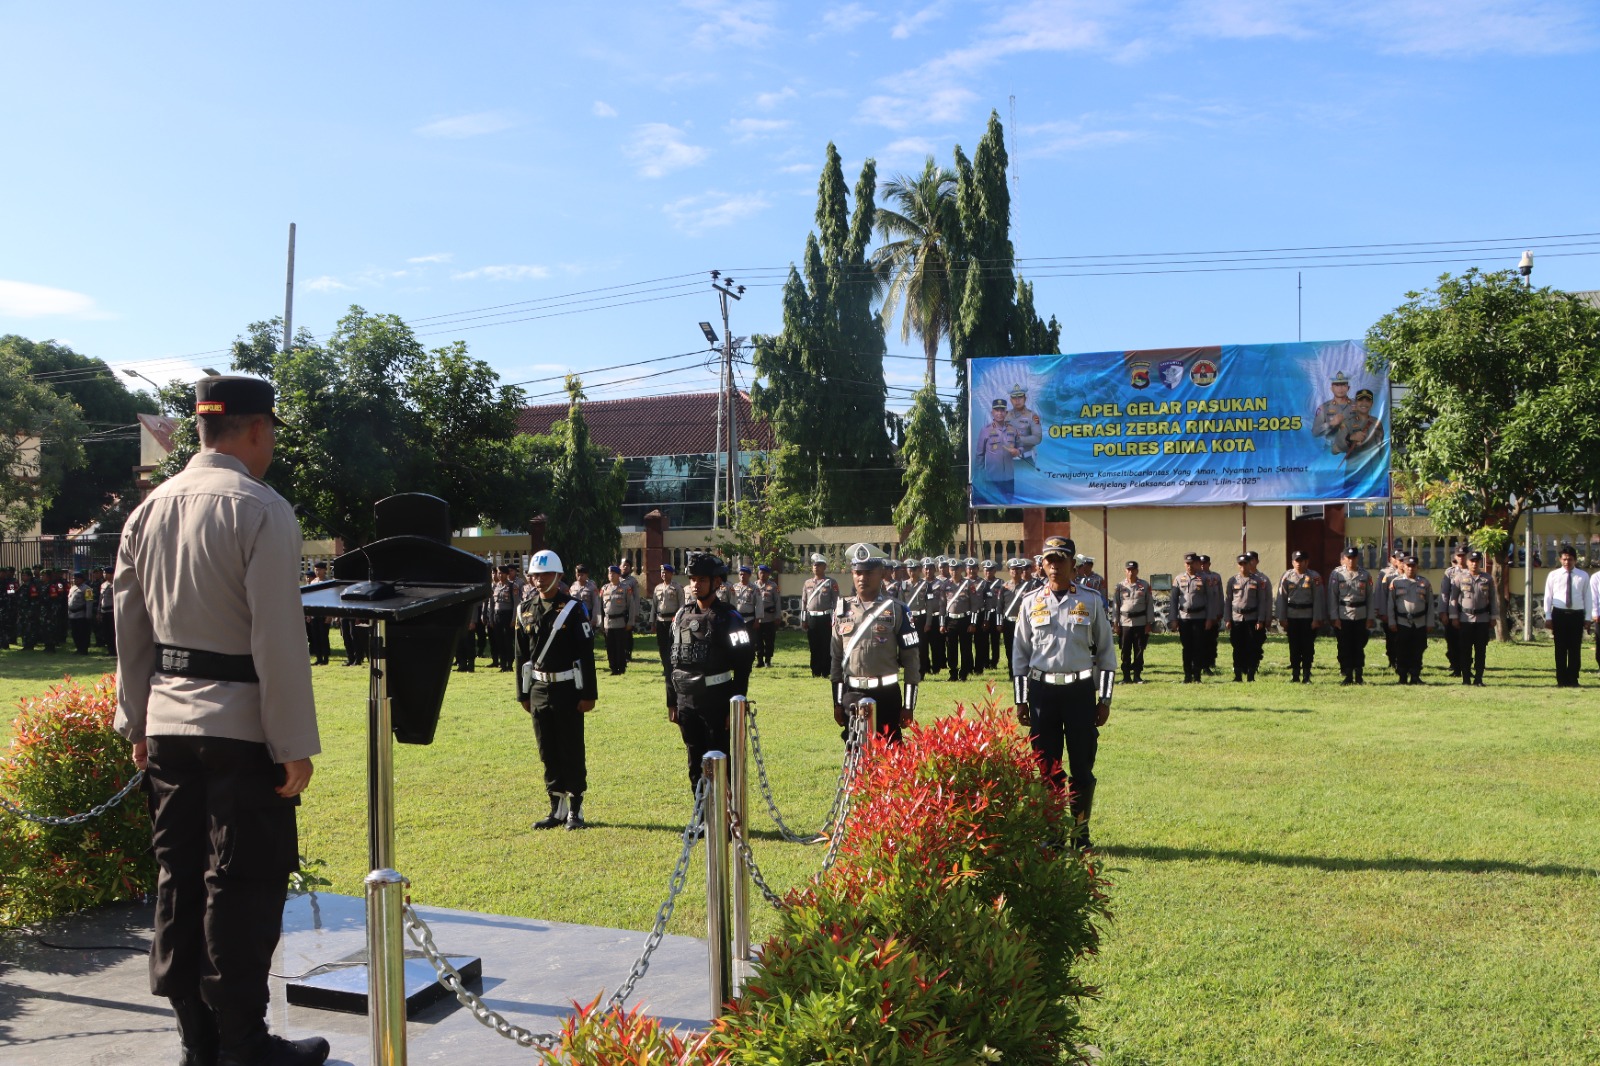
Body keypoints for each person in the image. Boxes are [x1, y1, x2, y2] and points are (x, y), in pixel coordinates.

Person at [113, 376, 328, 1066]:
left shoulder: (147, 510)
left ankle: (197, 1043)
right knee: (242, 882)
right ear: (257, 429)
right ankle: (243, 1044)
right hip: (238, 728)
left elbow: (130, 628)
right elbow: (278, 638)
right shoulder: (261, 508)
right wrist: (292, 742)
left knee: (178, 878)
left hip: (169, 722)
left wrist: (137, 721)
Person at [1011, 535, 1115, 852]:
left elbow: (1107, 654)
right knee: (1048, 768)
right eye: (1049, 560)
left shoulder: (1091, 601)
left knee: (1082, 768)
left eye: (1061, 560)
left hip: (1079, 693)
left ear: (1073, 564)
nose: (1055, 566)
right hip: (1042, 693)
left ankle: (1080, 835)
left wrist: (1104, 700)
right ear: (1042, 565)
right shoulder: (1030, 602)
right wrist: (1021, 700)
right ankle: (1053, 835)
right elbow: (1019, 655)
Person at [515, 550, 598, 831]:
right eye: (535, 575)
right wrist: (523, 694)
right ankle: (556, 807)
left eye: (546, 574)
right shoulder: (525, 609)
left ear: (559, 576)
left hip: (567, 688)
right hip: (538, 688)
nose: (539, 580)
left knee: (570, 748)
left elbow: (586, 654)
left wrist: (588, 694)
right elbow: (520, 655)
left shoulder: (574, 608)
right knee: (547, 749)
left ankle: (575, 808)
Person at [665, 552, 754, 803]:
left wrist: (735, 706)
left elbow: (743, 665)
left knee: (719, 761)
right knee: (695, 763)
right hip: (687, 701)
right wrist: (672, 702)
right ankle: (702, 814)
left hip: (717, 701)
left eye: (702, 579)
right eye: (693, 579)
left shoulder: (730, 618)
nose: (696, 584)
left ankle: (725, 815)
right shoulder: (681, 616)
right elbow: (671, 661)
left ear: (717, 582)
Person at [830, 542, 921, 744]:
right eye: (858, 572)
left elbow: (911, 661)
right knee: (855, 751)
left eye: (869, 572)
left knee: (890, 751)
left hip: (886, 695)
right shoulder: (841, 610)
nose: (863, 578)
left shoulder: (897, 609)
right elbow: (836, 660)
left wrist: (908, 705)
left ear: (881, 573)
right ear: (853, 574)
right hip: (852, 693)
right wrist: (837, 702)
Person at [1327, 547, 1377, 685]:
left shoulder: (1365, 575)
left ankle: (1359, 675)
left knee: (1359, 646)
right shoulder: (1337, 574)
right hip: (1344, 615)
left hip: (1360, 615)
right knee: (1346, 646)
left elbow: (1370, 597)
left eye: (1353, 558)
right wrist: (1334, 617)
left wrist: (1370, 617)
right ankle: (1348, 675)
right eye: (1348, 558)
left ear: (1357, 558)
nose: (1351, 560)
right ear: (1344, 559)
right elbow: (1332, 597)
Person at [1543, 545, 1590, 687]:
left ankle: (1573, 679)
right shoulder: (1553, 575)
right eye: (1564, 559)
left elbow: (1587, 597)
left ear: (1575, 560)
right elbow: (1548, 596)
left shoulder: (1583, 576)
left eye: (1569, 559)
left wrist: (1587, 618)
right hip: (1559, 614)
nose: (1567, 562)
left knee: (1575, 648)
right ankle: (1561, 679)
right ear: (1560, 559)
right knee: (1560, 648)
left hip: (1576, 615)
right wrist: (1548, 616)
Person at [1275, 551, 1325, 683]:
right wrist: (1282, 618)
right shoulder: (1286, 576)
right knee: (1294, 647)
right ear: (1292, 562)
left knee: (1308, 647)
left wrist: (1316, 619)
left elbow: (1318, 599)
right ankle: (1295, 674)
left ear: (1306, 562)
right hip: (1292, 617)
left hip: (1308, 618)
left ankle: (1307, 675)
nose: (1298, 563)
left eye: (1301, 560)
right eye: (1296, 561)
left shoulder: (1314, 577)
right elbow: (1281, 598)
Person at [1450, 551, 1498, 686]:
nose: (1474, 564)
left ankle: (1478, 678)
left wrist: (1494, 617)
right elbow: (1453, 598)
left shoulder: (1487, 578)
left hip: (1482, 619)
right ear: (1467, 562)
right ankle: (1466, 678)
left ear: (1480, 562)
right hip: (1465, 619)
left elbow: (1493, 599)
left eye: (1477, 561)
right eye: (1472, 561)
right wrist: (1454, 616)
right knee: (1465, 650)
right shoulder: (1459, 578)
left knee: (1480, 650)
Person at [1386, 555, 1435, 684]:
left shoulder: (1425, 583)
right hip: (1402, 622)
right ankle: (1402, 676)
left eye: (1413, 566)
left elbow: (1430, 604)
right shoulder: (1396, 582)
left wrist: (1430, 622)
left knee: (1418, 650)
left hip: (1419, 622)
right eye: (1408, 566)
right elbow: (1391, 604)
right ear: (1403, 566)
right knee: (1401, 650)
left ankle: (1415, 676)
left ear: (1417, 567)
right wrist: (1392, 621)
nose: (1410, 569)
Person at [1223, 554, 1271, 682]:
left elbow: (1262, 601)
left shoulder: (1258, 581)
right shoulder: (1232, 580)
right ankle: (1238, 675)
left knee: (1252, 647)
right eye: (1241, 564)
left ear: (1250, 564)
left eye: (1245, 563)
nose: (1243, 566)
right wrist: (1227, 619)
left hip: (1252, 619)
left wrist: (1260, 620)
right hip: (1237, 619)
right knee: (1237, 647)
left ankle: (1251, 675)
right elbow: (1228, 601)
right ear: (1238, 565)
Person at [1171, 553, 1218, 683]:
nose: (1189, 566)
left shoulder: (1204, 578)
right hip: (1184, 618)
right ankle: (1187, 675)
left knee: (1198, 647)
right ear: (1184, 564)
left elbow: (1210, 599)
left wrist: (1210, 618)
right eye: (1187, 563)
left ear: (1197, 564)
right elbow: (1173, 600)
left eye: (1192, 563)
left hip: (1200, 618)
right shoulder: (1178, 579)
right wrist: (1173, 619)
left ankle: (1197, 676)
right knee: (1187, 647)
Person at [1112, 561, 1153, 684]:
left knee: (1139, 649)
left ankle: (1137, 676)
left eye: (1133, 570)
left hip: (1140, 622)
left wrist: (1149, 623)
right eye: (1128, 570)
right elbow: (1115, 606)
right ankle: (1126, 677)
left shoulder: (1144, 585)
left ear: (1137, 571)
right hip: (1124, 623)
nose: (1131, 572)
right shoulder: (1120, 586)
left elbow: (1149, 605)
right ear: (1125, 571)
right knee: (1125, 650)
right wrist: (1115, 623)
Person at [973, 398, 1021, 502]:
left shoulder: (1013, 430)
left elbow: (1021, 446)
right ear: (992, 413)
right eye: (997, 410)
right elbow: (979, 455)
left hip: (1009, 479)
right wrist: (979, 477)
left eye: (1002, 410)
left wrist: (1018, 451)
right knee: (991, 506)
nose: (999, 413)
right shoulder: (985, 431)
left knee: (1010, 506)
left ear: (1006, 413)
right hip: (992, 479)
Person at [800, 553, 840, 677]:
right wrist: (803, 619)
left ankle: (826, 670)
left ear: (824, 567)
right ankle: (815, 671)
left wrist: (835, 619)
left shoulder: (830, 582)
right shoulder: (807, 583)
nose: (816, 567)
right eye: (814, 565)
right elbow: (804, 602)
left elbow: (836, 601)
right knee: (814, 645)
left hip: (826, 618)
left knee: (826, 644)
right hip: (812, 618)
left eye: (818, 565)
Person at [943, 558, 979, 682]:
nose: (954, 572)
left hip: (965, 620)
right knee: (951, 648)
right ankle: (953, 673)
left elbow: (974, 605)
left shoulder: (968, 584)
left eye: (956, 569)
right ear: (949, 570)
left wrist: (973, 623)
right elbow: (942, 605)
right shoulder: (945, 585)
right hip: (950, 620)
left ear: (961, 570)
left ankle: (964, 673)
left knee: (966, 648)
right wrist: (942, 623)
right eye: (952, 569)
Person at [599, 565, 635, 674]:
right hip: (608, 622)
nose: (611, 575)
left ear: (618, 575)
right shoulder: (604, 588)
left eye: (613, 573)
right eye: (609, 573)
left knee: (620, 646)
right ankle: (613, 668)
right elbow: (600, 607)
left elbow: (631, 606)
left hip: (620, 622)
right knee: (610, 647)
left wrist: (630, 622)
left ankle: (621, 668)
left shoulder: (625, 588)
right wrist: (601, 623)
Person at [1439, 547, 1469, 678]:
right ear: (1455, 557)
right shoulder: (1450, 573)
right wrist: (1443, 612)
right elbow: (1444, 593)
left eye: (1463, 555)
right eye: (1459, 555)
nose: (1461, 558)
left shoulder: (1473, 572)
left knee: (1467, 642)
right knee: (1452, 641)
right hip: (1452, 611)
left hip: (1468, 612)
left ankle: (1467, 667)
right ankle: (1456, 667)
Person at [652, 563, 684, 673]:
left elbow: (682, 605)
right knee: (662, 645)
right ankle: (666, 667)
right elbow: (654, 606)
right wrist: (652, 621)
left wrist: (679, 619)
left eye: (666, 572)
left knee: (672, 645)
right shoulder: (657, 588)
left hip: (672, 621)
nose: (664, 574)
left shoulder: (677, 587)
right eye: (662, 572)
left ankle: (672, 667)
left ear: (671, 574)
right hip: (660, 620)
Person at [1334, 389, 1384, 456]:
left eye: (1367, 400)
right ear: (1355, 403)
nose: (1364, 403)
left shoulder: (1377, 422)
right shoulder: (1347, 423)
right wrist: (1350, 438)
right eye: (1360, 400)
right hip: (1355, 462)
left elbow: (1380, 446)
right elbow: (1334, 450)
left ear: (1372, 403)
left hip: (1374, 461)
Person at [1311, 371, 1354, 447]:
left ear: (1348, 388)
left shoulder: (1358, 405)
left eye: (1343, 385)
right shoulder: (1324, 407)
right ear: (1332, 388)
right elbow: (1315, 432)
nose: (1340, 388)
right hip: (1331, 447)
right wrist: (1331, 424)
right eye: (1337, 385)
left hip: (1353, 447)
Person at [1005, 384, 1043, 461]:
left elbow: (1037, 438)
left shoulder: (1032, 416)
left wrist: (1018, 439)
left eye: (1020, 397)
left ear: (1025, 398)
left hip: (1026, 459)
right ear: (1010, 400)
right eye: (1014, 397)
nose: (1017, 400)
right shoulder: (1005, 416)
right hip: (1007, 459)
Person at [754, 563, 780, 667]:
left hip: (769, 618)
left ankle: (768, 660)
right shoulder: (753, 586)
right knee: (758, 641)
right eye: (761, 572)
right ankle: (759, 660)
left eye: (765, 572)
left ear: (768, 574)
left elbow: (777, 602)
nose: (762, 574)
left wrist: (777, 616)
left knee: (769, 641)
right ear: (758, 573)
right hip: (757, 619)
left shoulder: (773, 586)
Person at [67, 570, 92, 654]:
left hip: (81, 614)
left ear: (82, 579)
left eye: (76, 579)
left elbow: (89, 602)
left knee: (83, 633)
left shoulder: (87, 589)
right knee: (75, 633)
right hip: (73, 615)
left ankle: (83, 649)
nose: (74, 580)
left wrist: (88, 615)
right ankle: (78, 648)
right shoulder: (72, 588)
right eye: (73, 578)